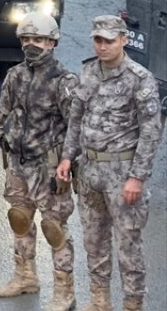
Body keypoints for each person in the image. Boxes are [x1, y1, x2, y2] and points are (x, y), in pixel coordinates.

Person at [57, 16, 162, 311]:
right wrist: (67, 156)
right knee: (94, 241)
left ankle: (132, 304)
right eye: (98, 40)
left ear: (124, 40)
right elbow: (76, 119)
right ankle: (100, 301)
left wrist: (137, 178)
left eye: (109, 40)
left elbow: (151, 132)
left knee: (128, 246)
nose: (102, 46)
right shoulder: (88, 71)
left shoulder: (139, 79)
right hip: (90, 171)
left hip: (122, 173)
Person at [0, 13, 78, 309]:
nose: (30, 45)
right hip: (18, 165)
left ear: (52, 42)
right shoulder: (15, 75)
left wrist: (68, 165)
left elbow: (76, 127)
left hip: (49, 169)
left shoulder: (64, 80)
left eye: (37, 39)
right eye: (25, 39)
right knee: (19, 221)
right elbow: (2, 115)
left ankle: (65, 291)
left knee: (54, 227)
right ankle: (25, 277)